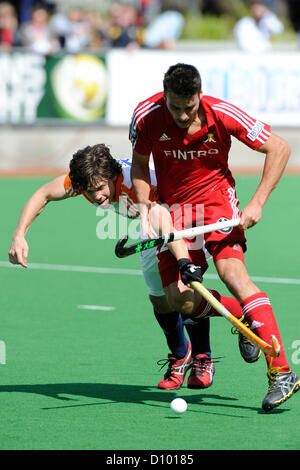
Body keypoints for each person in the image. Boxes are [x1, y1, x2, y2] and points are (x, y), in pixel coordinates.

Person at [129, 62, 300, 412]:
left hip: (217, 202)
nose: (181, 114)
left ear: (199, 96)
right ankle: (246, 316)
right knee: (179, 298)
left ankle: (282, 371)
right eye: (174, 107)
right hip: (173, 211)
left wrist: (258, 201)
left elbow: (279, 147)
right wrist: (146, 206)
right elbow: (139, 163)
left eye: (188, 107)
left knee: (232, 275)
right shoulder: (146, 117)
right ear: (165, 97)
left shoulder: (221, 113)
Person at [8, 143, 225, 391]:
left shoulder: (137, 183)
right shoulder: (89, 179)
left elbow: (168, 217)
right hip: (150, 226)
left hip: (181, 217)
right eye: (89, 191)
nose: (96, 196)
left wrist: (182, 259)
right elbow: (43, 194)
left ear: (113, 175)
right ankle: (180, 355)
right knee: (159, 300)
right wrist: (19, 235)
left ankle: (203, 357)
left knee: (182, 291)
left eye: (100, 188)